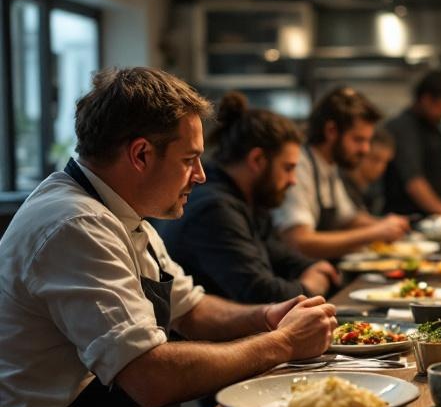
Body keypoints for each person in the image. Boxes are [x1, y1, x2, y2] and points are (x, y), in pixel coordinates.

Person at [0, 68, 337, 407]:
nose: (200, 175)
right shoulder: (73, 224)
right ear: (140, 154)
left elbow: (193, 309)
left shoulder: (125, 215)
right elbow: (151, 378)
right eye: (190, 160)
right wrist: (283, 343)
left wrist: (267, 316)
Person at [156, 92, 340, 303]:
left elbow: (278, 254)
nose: (293, 181)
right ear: (257, 160)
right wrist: (308, 287)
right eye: (288, 168)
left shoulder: (246, 201)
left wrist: (311, 266)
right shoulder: (214, 209)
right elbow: (258, 294)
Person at [272, 86, 409, 259]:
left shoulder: (329, 165)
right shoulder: (298, 166)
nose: (365, 149)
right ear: (331, 131)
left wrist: (388, 226)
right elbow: (299, 242)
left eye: (368, 140)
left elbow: (348, 218)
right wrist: (374, 233)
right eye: (358, 139)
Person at [381, 70, 441, 217]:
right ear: (426, 99)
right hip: (410, 220)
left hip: (434, 219)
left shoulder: (432, 127)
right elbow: (414, 182)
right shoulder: (403, 128)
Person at [350, 128, 395, 215]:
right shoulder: (341, 186)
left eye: (385, 162)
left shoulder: (377, 188)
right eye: (375, 159)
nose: (381, 167)